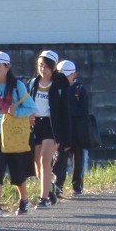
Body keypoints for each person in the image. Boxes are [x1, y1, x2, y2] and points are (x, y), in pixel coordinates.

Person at [0, 53, 36, 217]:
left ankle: (24, 200)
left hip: (14, 133)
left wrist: (16, 112)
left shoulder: (18, 86)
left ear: (7, 67)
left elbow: (31, 108)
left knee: (16, 169)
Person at [28, 50, 72, 209]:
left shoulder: (59, 85)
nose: (43, 69)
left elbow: (65, 112)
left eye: (46, 66)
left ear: (53, 67)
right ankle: (50, 188)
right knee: (37, 162)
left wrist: (67, 138)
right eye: (40, 66)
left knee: (44, 159)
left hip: (52, 126)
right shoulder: (33, 83)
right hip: (36, 125)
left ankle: (44, 198)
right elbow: (28, 103)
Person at [52, 60, 91, 196]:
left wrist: (67, 109)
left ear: (74, 75)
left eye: (66, 75)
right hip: (62, 130)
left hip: (77, 131)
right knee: (60, 158)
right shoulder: (55, 89)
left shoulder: (79, 89)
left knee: (78, 158)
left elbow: (84, 111)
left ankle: (77, 187)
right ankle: (58, 186)